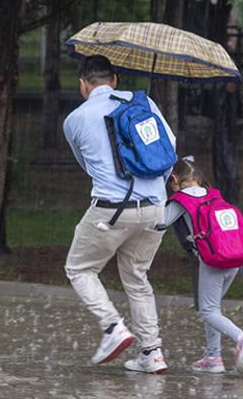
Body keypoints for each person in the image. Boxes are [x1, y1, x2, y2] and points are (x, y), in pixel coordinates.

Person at [63, 55, 175, 374]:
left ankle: (113, 327)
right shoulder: (144, 103)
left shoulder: (75, 119)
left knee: (80, 268)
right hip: (156, 207)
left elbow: (86, 165)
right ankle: (152, 353)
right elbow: (170, 149)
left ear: (83, 84)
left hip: (111, 209)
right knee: (137, 278)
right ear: (115, 79)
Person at [162, 156, 243, 375]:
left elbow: (160, 222)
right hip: (233, 258)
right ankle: (213, 357)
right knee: (213, 308)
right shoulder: (213, 194)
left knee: (208, 311)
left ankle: (242, 338)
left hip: (212, 261)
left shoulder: (181, 199)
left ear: (175, 179)